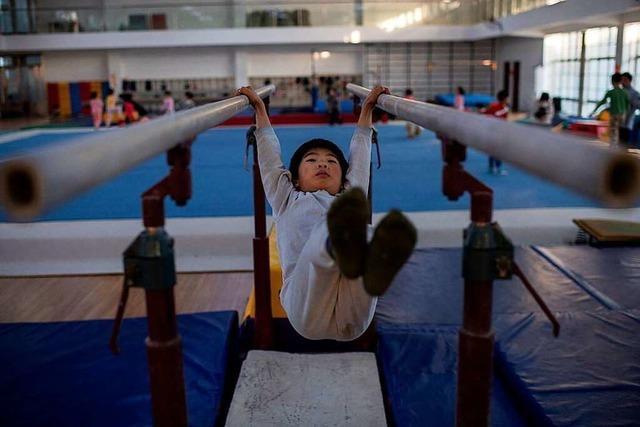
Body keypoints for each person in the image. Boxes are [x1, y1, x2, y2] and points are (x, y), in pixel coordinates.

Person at [237, 85, 417, 341]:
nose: (323, 163)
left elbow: (360, 153)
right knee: (344, 225)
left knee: (354, 227)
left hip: (352, 322)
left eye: (332, 161)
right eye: (311, 160)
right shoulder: (286, 198)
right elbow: (269, 157)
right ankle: (346, 244)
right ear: (295, 179)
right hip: (305, 308)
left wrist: (367, 108)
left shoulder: (349, 193)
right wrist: (259, 108)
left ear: (343, 177)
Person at [591, 73, 629, 147]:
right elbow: (627, 104)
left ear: (612, 81)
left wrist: (594, 111)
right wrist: (625, 112)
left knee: (613, 131)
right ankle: (619, 147)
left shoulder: (611, 92)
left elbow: (602, 102)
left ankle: (613, 147)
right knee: (619, 131)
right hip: (623, 115)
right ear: (621, 81)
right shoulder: (624, 92)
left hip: (614, 114)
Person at [483, 89, 509, 174]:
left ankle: (491, 167)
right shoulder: (504, 108)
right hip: (498, 130)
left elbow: (486, 113)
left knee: (492, 148)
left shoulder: (493, 105)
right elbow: (501, 118)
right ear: (505, 98)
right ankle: (498, 168)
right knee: (498, 150)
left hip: (491, 129)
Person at [621, 72, 640, 146]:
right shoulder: (619, 91)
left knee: (624, 145)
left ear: (630, 81)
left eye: (625, 80)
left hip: (627, 122)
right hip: (618, 122)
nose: (623, 82)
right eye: (622, 80)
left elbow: (638, 106)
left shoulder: (635, 93)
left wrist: (630, 100)